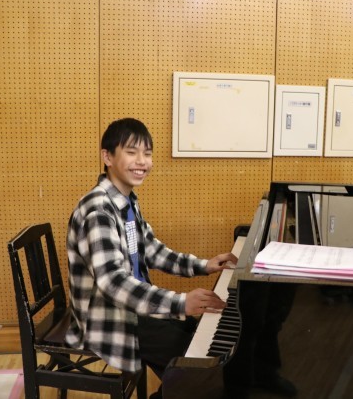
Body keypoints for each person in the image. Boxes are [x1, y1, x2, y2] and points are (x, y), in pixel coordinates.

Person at [65, 118, 238, 399]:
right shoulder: (99, 210)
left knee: (195, 340)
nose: (142, 161)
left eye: (147, 153)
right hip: (110, 319)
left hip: (133, 310)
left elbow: (152, 251)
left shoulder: (126, 201)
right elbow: (113, 282)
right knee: (198, 369)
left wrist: (203, 265)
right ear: (107, 157)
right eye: (131, 152)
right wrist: (180, 302)